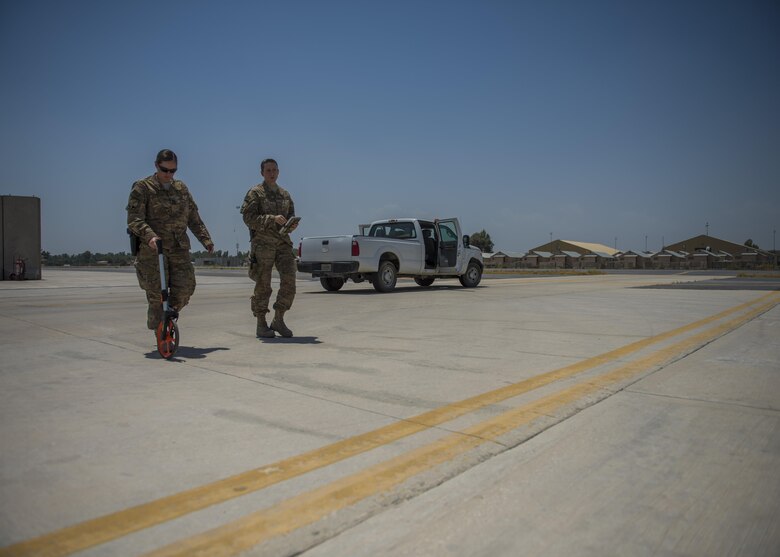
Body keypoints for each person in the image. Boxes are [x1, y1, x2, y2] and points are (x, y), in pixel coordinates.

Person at [126, 149, 214, 333]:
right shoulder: (142, 188)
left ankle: (168, 316)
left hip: (178, 248)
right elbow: (134, 219)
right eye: (165, 170)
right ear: (156, 166)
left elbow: (193, 218)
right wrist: (150, 236)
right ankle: (159, 323)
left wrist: (206, 240)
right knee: (157, 293)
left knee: (186, 288)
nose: (169, 174)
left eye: (173, 171)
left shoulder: (181, 189)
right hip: (153, 250)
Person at [240, 158, 298, 338]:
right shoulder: (255, 193)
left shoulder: (285, 194)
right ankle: (261, 324)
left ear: (278, 172)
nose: (272, 173)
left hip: (282, 244)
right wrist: (270, 219)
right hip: (263, 244)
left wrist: (291, 225)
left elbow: (290, 216)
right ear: (262, 173)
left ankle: (278, 319)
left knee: (289, 281)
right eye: (268, 171)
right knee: (263, 285)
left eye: (274, 170)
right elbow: (248, 218)